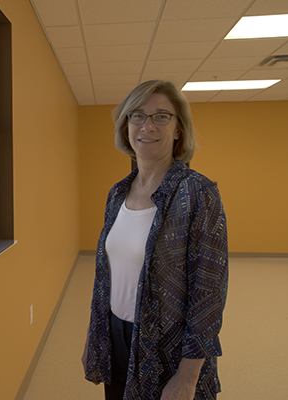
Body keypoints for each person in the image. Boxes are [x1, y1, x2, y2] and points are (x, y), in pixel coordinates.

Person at [82, 80, 228, 400]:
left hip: (168, 347)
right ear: (126, 126)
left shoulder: (197, 193)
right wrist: (96, 338)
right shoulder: (118, 193)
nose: (147, 126)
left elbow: (209, 294)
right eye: (137, 115)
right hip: (117, 335)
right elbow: (107, 276)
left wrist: (188, 376)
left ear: (178, 130)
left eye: (161, 116)